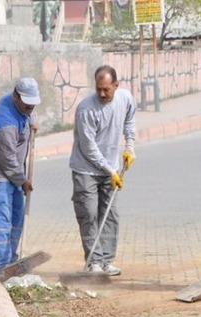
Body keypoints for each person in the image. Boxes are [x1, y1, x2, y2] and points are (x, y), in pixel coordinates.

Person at [69, 65, 136, 276]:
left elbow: (129, 119)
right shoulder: (86, 109)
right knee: (88, 213)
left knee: (111, 214)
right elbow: (89, 148)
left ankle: (107, 261)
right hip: (86, 169)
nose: (102, 93)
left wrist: (130, 147)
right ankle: (94, 262)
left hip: (111, 169)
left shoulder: (125, 98)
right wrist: (110, 170)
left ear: (116, 85)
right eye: (98, 89)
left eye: (107, 89)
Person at [0, 78, 40, 276]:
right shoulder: (5, 123)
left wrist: (32, 122)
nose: (30, 108)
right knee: (1, 222)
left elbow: (30, 114)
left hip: (13, 173)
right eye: (27, 105)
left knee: (17, 217)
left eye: (33, 105)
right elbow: (7, 160)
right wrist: (22, 181)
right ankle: (1, 268)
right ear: (16, 97)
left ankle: (11, 260)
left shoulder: (22, 107)